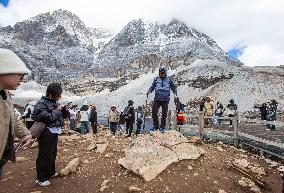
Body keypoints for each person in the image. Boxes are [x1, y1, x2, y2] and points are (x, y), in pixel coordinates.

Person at [0, 48, 32, 178]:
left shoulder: (5, 95)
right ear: (3, 72)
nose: (22, 79)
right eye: (19, 74)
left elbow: (11, 117)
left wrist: (24, 133)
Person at [33, 83, 64, 187]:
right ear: (51, 94)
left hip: (54, 131)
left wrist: (64, 111)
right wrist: (57, 110)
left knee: (52, 152)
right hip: (45, 131)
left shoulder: (53, 103)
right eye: (57, 95)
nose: (59, 97)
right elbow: (47, 117)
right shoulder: (41, 104)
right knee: (44, 154)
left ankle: (50, 172)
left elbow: (59, 116)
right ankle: (41, 178)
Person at [147, 66, 177, 133]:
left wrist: (175, 94)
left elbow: (174, 88)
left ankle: (162, 127)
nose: (162, 74)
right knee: (154, 112)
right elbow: (152, 87)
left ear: (165, 73)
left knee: (164, 114)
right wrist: (149, 91)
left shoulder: (169, 80)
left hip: (165, 99)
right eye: (161, 73)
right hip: (157, 98)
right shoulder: (156, 79)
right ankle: (156, 126)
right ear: (159, 73)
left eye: (163, 73)